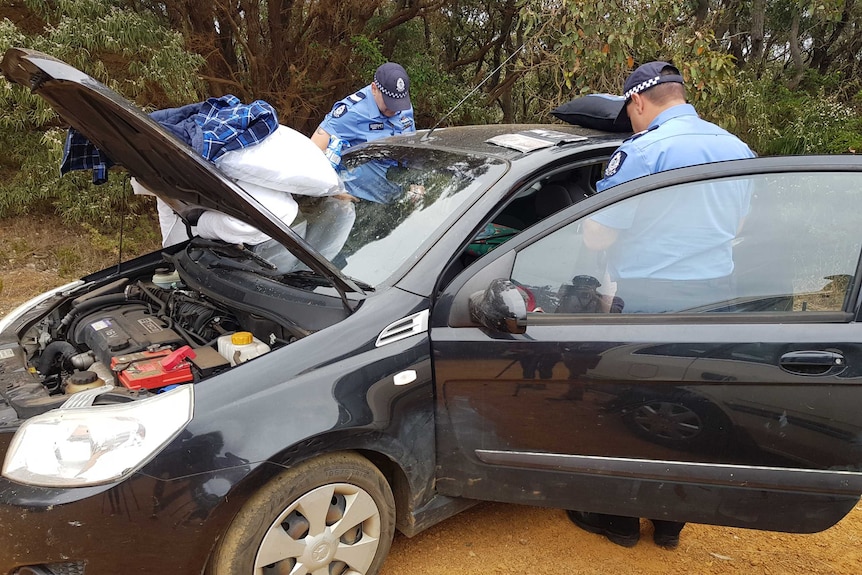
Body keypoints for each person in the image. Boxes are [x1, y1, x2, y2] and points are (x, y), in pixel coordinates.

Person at [567, 61, 756, 549]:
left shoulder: (644, 151)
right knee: (691, 407)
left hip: (650, 298)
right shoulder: (737, 149)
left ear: (637, 101)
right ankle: (672, 523)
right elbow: (738, 230)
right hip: (718, 295)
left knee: (631, 406)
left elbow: (596, 236)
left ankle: (621, 522)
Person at [311, 62, 415, 156]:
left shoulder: (403, 104)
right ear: (374, 89)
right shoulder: (352, 112)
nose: (394, 108)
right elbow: (315, 148)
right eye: (389, 102)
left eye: (398, 103)